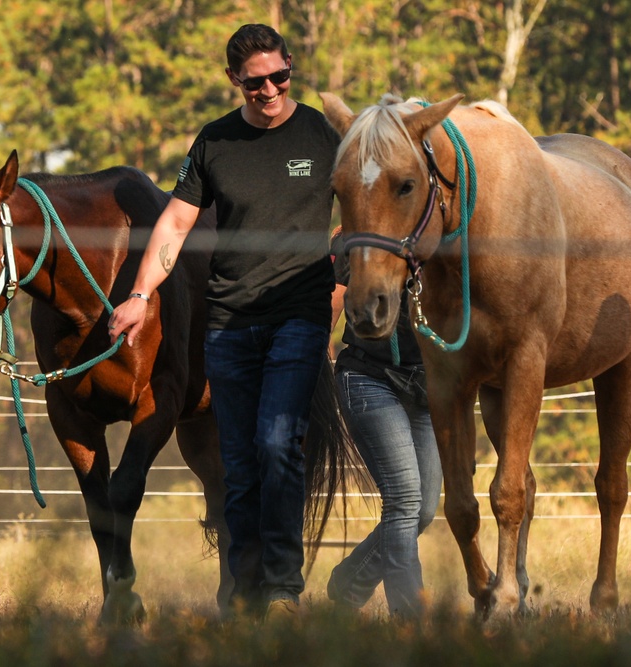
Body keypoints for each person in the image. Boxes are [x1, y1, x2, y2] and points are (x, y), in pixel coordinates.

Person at [108, 23, 340, 619]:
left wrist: (356, 268)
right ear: (233, 79)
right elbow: (174, 226)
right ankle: (245, 593)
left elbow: (368, 202)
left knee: (276, 442)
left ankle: (284, 588)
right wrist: (138, 294)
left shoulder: (322, 133)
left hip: (299, 317)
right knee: (236, 460)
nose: (269, 90)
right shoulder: (213, 144)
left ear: (291, 65)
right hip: (230, 322)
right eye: (255, 81)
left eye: (279, 76)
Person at [326, 228, 442, 619]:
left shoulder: (446, 238)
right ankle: (411, 619)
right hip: (368, 375)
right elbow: (333, 300)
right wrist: (321, 353)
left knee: (424, 509)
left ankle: (349, 582)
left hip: (428, 389)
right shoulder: (354, 238)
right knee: (405, 499)